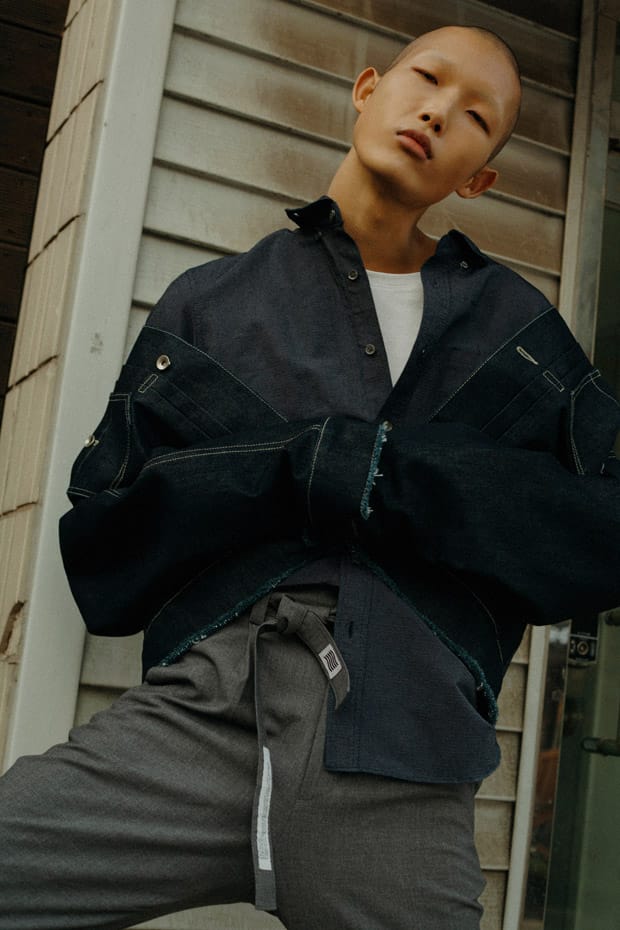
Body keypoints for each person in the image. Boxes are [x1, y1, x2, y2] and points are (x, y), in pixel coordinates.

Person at [1, 24, 619, 930]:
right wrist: (292, 468)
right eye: (427, 78)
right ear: (368, 88)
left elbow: (603, 530)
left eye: (476, 117)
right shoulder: (211, 302)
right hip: (203, 717)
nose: (438, 112)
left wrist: (391, 474)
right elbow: (103, 543)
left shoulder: (516, 334)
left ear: (478, 179)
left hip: (405, 754)